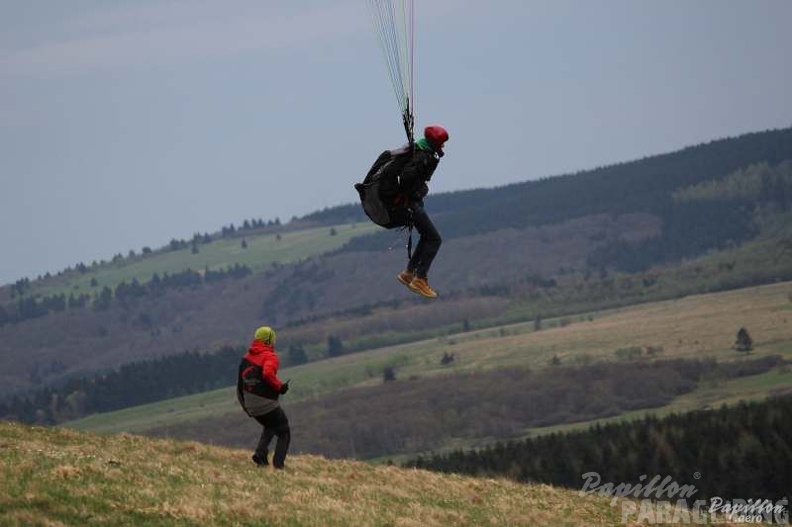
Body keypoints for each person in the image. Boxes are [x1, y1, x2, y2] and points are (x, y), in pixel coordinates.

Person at [360, 125, 449, 298]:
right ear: (436, 142)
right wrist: (419, 186)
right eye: (442, 143)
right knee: (434, 239)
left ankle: (409, 273)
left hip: (408, 203)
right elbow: (408, 178)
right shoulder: (423, 156)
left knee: (426, 236)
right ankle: (420, 278)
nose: (444, 147)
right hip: (408, 204)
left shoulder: (417, 149)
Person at [236, 325, 291, 469]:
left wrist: (246, 407)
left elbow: (239, 386)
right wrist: (280, 387)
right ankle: (279, 466)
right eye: (273, 340)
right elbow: (267, 373)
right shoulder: (270, 356)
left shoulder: (245, 358)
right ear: (269, 341)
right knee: (284, 431)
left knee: (270, 425)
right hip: (266, 403)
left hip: (250, 405)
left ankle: (260, 455)